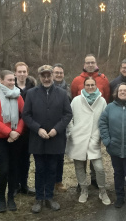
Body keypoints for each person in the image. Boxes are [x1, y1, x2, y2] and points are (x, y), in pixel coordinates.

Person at [23, 65, 72, 213]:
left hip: (55, 139)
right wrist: (38, 129)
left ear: (52, 75)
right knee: (40, 169)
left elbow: (67, 115)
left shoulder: (63, 94)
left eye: (48, 75)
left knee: (52, 169)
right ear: (39, 77)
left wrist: (56, 129)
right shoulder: (31, 93)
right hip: (38, 139)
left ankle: (49, 196)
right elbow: (26, 115)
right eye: (43, 76)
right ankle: (39, 198)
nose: (46, 78)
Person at [66, 77, 111, 205]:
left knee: (99, 168)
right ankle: (84, 189)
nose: (90, 87)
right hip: (78, 138)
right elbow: (70, 117)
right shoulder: (76, 100)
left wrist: (100, 135)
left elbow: (105, 119)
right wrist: (71, 132)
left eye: (92, 85)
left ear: (96, 86)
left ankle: (102, 191)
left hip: (94, 137)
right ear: (84, 86)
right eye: (88, 85)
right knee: (79, 166)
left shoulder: (101, 101)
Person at [0, 70, 25, 213]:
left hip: (16, 139)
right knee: (4, 170)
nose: (12, 83)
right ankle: (1, 199)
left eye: (13, 80)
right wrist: (9, 132)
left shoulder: (18, 96)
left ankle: (11, 198)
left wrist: (17, 132)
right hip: (1, 140)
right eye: (9, 80)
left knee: (14, 169)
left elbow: (23, 115)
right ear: (1, 81)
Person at [70, 54, 110, 189]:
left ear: (96, 63)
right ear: (84, 64)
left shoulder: (103, 80)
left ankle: (94, 179)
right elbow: (73, 97)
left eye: (93, 62)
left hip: (96, 125)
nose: (90, 65)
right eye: (88, 62)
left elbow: (107, 98)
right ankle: (81, 184)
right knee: (81, 156)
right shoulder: (76, 80)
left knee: (94, 153)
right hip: (81, 125)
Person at [14, 62, 36, 196]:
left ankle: (24, 184)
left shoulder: (33, 87)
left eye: (24, 71)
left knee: (26, 159)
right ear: (15, 73)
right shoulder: (10, 86)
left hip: (28, 129)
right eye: (19, 71)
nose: (22, 74)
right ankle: (15, 185)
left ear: (27, 73)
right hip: (13, 129)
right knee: (15, 158)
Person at [52, 63, 71, 192]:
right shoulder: (45, 87)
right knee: (47, 156)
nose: (59, 75)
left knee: (60, 155)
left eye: (61, 73)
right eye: (56, 72)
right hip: (47, 126)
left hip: (63, 125)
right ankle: (48, 180)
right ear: (52, 74)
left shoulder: (68, 88)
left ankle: (58, 181)